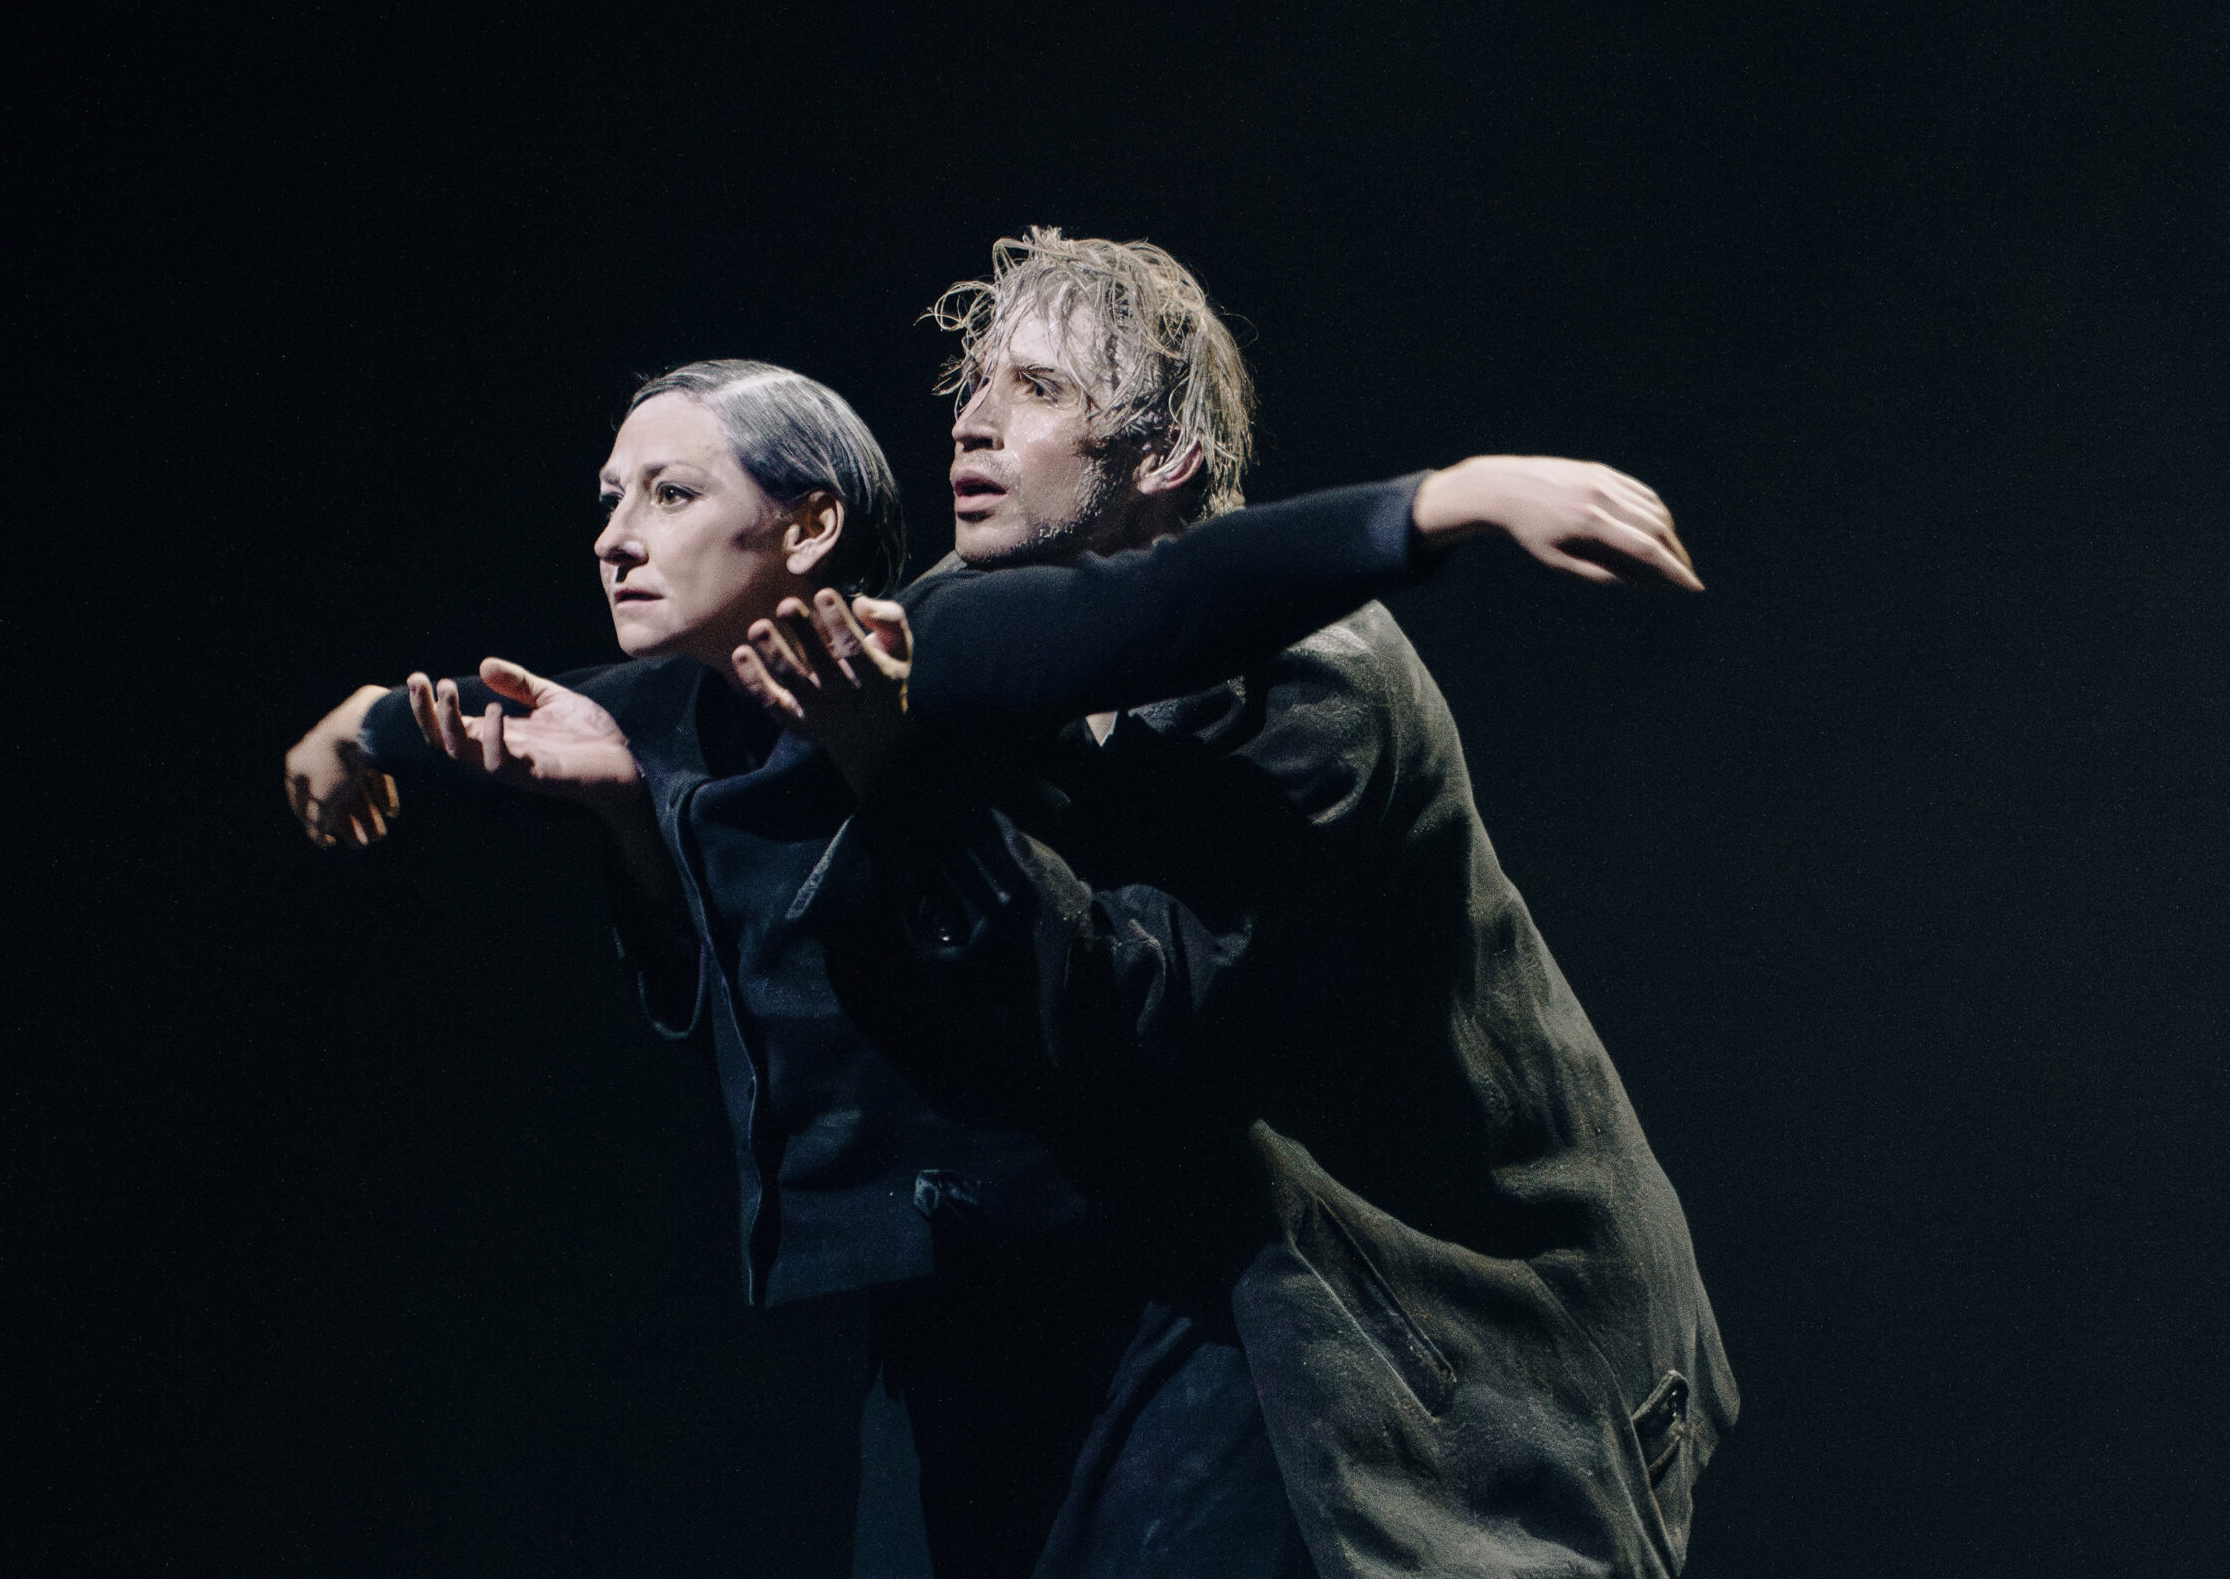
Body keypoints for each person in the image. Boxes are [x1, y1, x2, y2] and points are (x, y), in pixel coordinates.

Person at [283, 327, 1711, 1573]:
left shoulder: (946, 648)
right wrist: (377, 726)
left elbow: (1158, 617)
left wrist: (1446, 503)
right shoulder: (678, 716)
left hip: (1206, 1293)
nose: (614, 535)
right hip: (955, 1306)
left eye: (669, 493)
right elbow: (528, 711)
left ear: (808, 525)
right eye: (610, 497)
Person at [731, 231, 1737, 1577]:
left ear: (1162, 460)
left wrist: (900, 777)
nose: (971, 421)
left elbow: (1136, 1018)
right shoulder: (967, 625)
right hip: (1212, 1283)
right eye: (973, 384)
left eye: (1038, 389)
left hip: (1458, 1313)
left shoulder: (1317, 684)